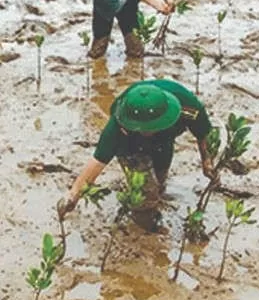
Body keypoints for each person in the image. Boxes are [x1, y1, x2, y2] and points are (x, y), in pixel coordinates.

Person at [57, 80, 213, 231]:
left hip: (165, 138)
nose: (147, 132)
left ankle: (155, 194)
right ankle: (143, 226)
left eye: (151, 128)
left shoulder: (188, 108)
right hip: (130, 142)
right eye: (143, 128)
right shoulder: (119, 124)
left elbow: (204, 134)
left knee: (160, 177)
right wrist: (72, 196)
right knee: (145, 193)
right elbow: (98, 160)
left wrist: (207, 161)